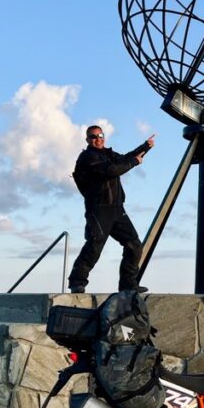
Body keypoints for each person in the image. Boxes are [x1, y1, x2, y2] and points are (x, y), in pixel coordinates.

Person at [67, 125, 155, 294]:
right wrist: (135, 162)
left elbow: (125, 159)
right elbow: (112, 170)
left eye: (100, 135)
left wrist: (145, 147)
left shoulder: (108, 154)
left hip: (117, 208)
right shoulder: (87, 157)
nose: (97, 138)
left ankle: (128, 285)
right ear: (87, 140)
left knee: (134, 245)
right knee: (95, 245)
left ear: (104, 137)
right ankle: (77, 282)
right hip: (98, 209)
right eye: (93, 136)